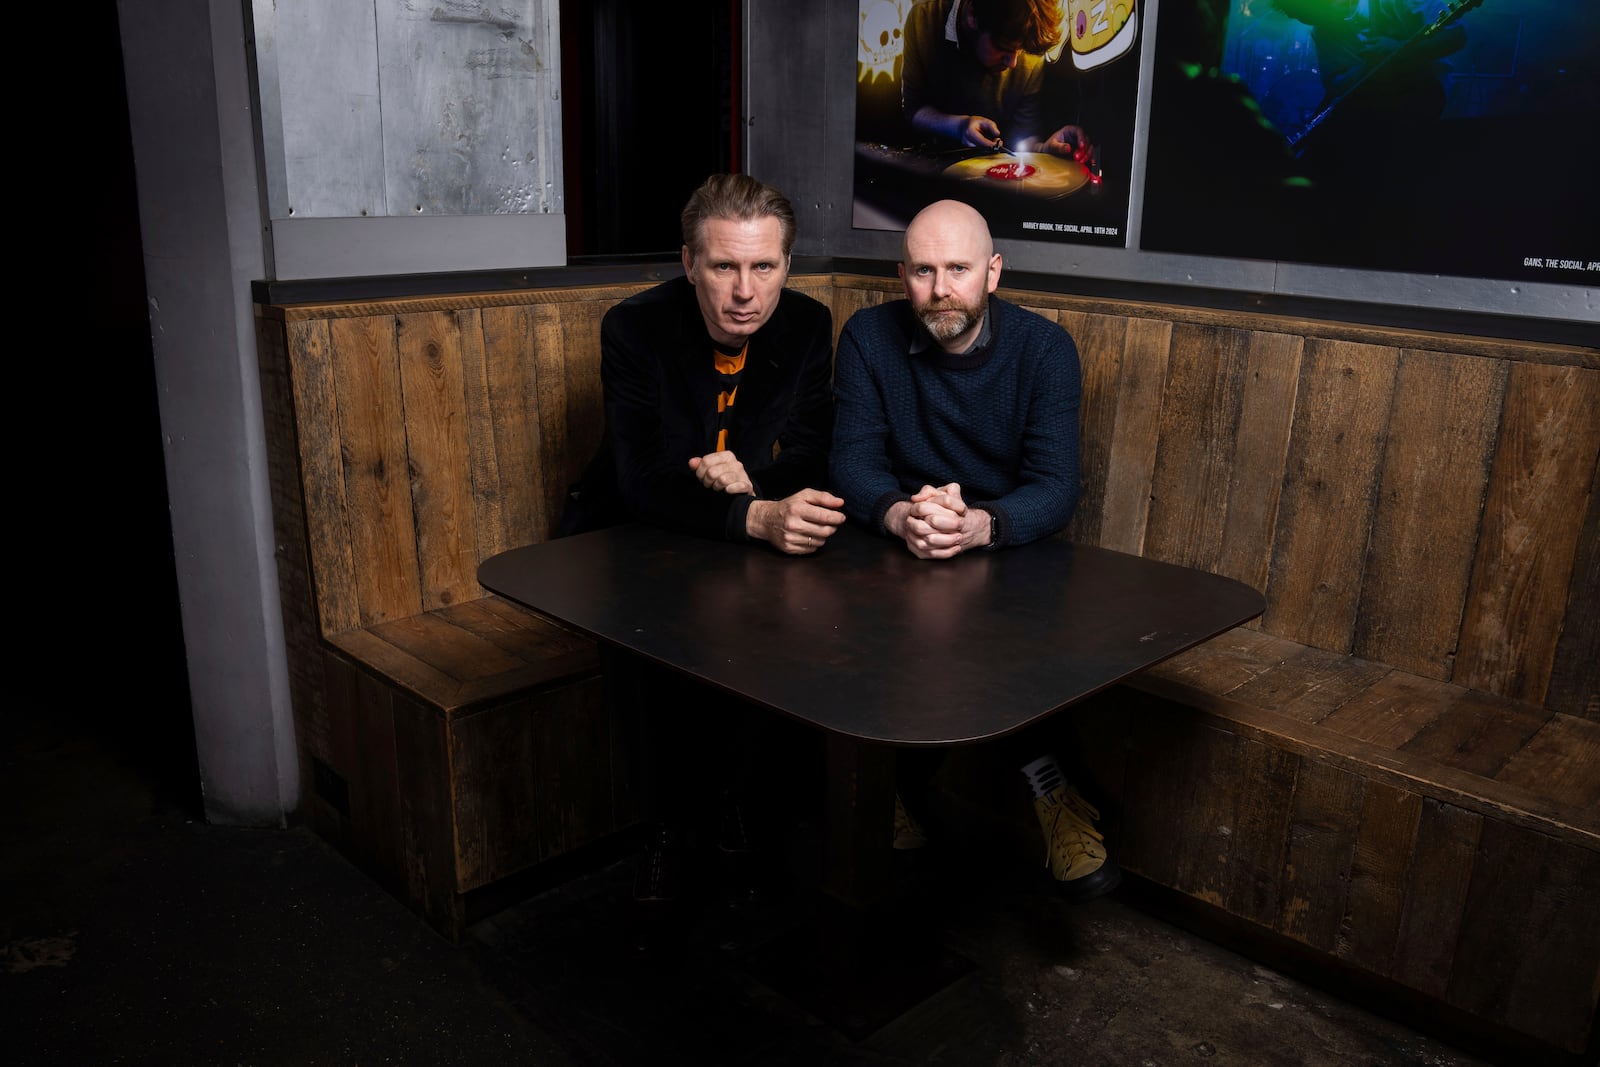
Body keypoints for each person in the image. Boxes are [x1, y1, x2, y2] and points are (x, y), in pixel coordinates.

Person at [560, 173, 846, 927]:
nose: (745, 291)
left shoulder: (809, 326)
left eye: (764, 267)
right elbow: (642, 480)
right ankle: (664, 827)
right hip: (632, 534)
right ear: (690, 264)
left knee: (782, 626)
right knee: (648, 650)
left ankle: (736, 808)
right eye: (724, 267)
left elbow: (814, 453)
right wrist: (753, 515)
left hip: (727, 531)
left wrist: (753, 482)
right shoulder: (635, 329)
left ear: (788, 266)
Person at [828, 197, 1119, 903]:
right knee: (847, 625)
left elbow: (1055, 487)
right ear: (903, 275)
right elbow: (852, 463)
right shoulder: (868, 336)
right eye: (924, 270)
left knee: (1005, 633)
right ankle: (885, 790)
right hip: (900, 542)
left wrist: (979, 525)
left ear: (993, 271)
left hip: (1005, 546)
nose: (940, 288)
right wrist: (903, 516)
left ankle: (1050, 794)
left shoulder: (1045, 348)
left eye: (957, 268)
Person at [901, 0, 1092, 163]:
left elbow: (1023, 140)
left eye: (1020, 51)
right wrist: (959, 127)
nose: (1013, 63)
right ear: (972, 15)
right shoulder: (923, 20)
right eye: (1004, 48)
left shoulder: (1030, 49)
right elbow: (914, 110)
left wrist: (1045, 150)